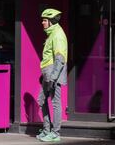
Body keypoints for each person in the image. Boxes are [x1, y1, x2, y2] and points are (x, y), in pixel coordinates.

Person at [36, 8, 68, 142]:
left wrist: (53, 78)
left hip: (53, 75)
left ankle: (55, 133)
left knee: (55, 103)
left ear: (51, 21)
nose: (42, 23)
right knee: (41, 100)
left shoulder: (57, 35)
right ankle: (46, 129)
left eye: (44, 20)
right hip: (48, 74)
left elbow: (60, 59)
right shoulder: (52, 33)